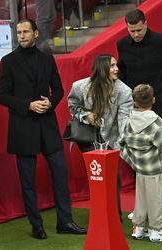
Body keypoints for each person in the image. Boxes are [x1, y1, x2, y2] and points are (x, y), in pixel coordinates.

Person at [0, 18, 87, 239]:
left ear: (36, 34)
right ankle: (36, 225)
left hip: (47, 125)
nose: (22, 36)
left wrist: (50, 102)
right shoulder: (8, 61)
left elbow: (57, 89)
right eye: (19, 32)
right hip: (22, 127)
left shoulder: (47, 59)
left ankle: (65, 221)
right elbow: (2, 95)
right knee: (27, 181)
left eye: (26, 32)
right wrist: (27, 105)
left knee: (60, 172)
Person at [117, 9, 162, 222]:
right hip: (135, 111)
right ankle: (144, 206)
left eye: (139, 30)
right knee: (138, 158)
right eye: (132, 31)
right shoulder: (122, 45)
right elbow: (122, 71)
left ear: (146, 24)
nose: (136, 34)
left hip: (161, 108)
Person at [67, 54, 133, 222]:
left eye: (116, 65)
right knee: (96, 178)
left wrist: (120, 146)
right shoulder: (81, 86)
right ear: (101, 68)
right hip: (88, 140)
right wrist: (86, 115)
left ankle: (114, 216)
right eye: (112, 66)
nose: (116, 69)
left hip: (111, 140)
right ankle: (99, 215)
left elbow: (124, 120)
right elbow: (73, 106)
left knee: (113, 180)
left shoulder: (124, 91)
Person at [119, 84, 162, 242]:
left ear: (134, 102)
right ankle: (157, 231)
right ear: (153, 100)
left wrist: (131, 158)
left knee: (141, 199)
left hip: (140, 169)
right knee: (158, 198)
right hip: (155, 169)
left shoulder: (129, 121)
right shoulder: (155, 123)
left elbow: (121, 142)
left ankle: (139, 228)